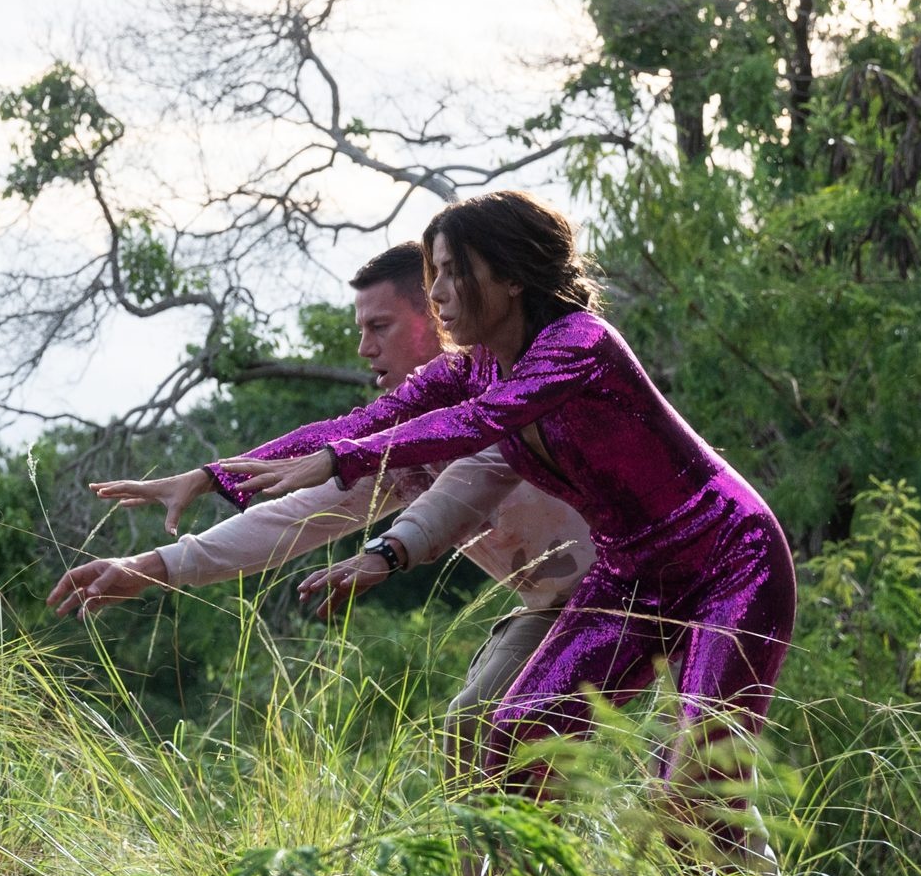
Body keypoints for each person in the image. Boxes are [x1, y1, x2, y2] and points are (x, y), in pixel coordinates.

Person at [217, 191, 798, 876]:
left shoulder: (579, 345)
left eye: (456, 272)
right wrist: (214, 475)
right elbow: (362, 421)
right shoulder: (477, 367)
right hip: (629, 579)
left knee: (692, 791)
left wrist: (343, 460)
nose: (441, 293)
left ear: (512, 276)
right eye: (434, 273)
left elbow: (472, 426)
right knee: (512, 739)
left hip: (729, 560)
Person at [47, 243, 597, 737]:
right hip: (561, 608)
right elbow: (294, 517)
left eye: (379, 327)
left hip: (647, 581)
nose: (363, 348)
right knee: (468, 740)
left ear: (439, 314)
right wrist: (152, 563)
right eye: (360, 330)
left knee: (657, 775)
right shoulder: (399, 443)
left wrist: (384, 555)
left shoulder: (520, 386)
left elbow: (468, 478)